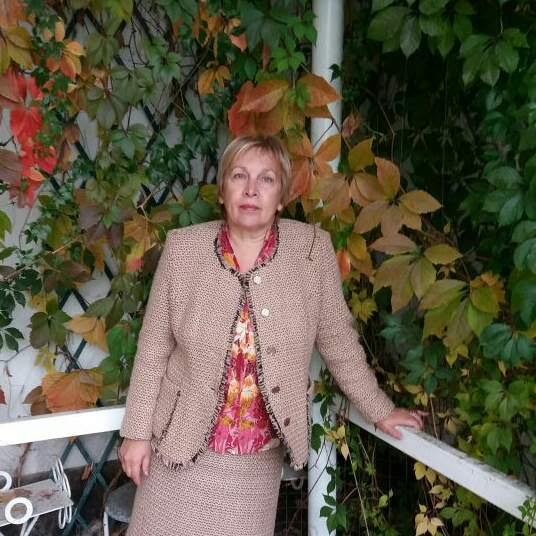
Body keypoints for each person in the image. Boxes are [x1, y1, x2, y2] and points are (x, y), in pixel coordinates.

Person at [118, 135, 425, 536]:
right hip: (178, 446)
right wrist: (136, 434)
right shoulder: (183, 250)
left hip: (256, 460)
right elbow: (153, 348)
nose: (251, 190)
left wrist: (380, 409)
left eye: (266, 179)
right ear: (223, 190)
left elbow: (337, 339)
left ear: (281, 196)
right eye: (239, 176)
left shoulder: (311, 251)